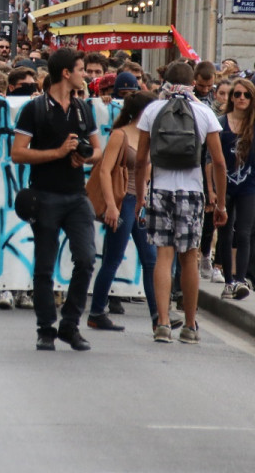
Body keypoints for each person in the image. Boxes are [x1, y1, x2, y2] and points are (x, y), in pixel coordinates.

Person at [12, 48, 101, 352]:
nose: (85, 75)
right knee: (44, 267)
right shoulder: (34, 109)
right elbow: (18, 152)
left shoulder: (83, 108)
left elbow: (98, 151)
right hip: (45, 194)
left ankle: (70, 324)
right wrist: (58, 153)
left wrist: (83, 158)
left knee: (87, 259)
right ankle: (45, 327)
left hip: (77, 196)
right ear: (66, 73)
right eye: (80, 69)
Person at [135, 62, 227, 345]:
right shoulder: (204, 112)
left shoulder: (152, 110)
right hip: (192, 191)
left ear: (165, 81)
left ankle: (162, 323)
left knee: (164, 255)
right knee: (189, 256)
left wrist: (141, 197)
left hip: (160, 189)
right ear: (194, 82)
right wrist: (220, 203)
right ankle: (189, 325)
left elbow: (140, 160)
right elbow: (219, 162)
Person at [89, 92, 162, 332]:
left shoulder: (149, 135)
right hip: (123, 201)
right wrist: (111, 205)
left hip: (140, 202)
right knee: (113, 258)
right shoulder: (120, 135)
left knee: (150, 260)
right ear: (143, 111)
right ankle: (97, 312)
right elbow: (104, 171)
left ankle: (158, 317)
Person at [212, 78, 255, 300]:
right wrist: (210, 189)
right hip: (224, 185)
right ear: (231, 98)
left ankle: (240, 279)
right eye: (237, 94)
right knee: (226, 233)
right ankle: (228, 281)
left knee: (245, 233)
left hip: (249, 186)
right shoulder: (220, 123)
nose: (241, 98)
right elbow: (209, 159)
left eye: (246, 95)